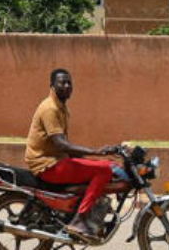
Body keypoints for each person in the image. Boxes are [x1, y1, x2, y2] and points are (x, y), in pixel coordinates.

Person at [24, 68, 114, 238]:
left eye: (69, 83)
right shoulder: (50, 108)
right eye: (62, 82)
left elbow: (62, 146)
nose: (66, 86)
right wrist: (96, 152)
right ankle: (80, 219)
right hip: (47, 165)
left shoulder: (60, 106)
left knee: (109, 166)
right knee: (105, 171)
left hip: (56, 159)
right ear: (52, 85)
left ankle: (89, 212)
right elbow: (61, 144)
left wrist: (94, 157)